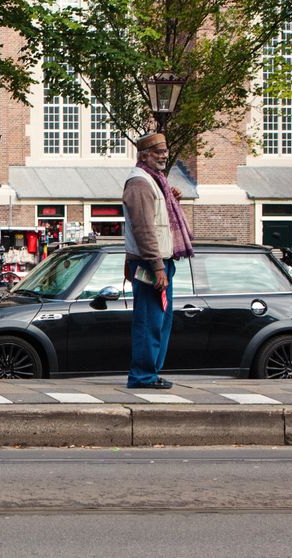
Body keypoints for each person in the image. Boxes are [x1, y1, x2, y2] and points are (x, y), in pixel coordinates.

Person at [123, 132, 194, 390]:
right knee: (149, 320)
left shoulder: (156, 181)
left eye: (164, 151)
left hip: (159, 262)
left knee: (160, 321)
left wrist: (171, 200)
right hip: (150, 264)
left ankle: (150, 373)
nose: (164, 156)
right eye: (158, 152)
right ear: (144, 155)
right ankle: (142, 376)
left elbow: (155, 221)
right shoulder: (140, 183)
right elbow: (143, 228)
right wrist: (157, 265)